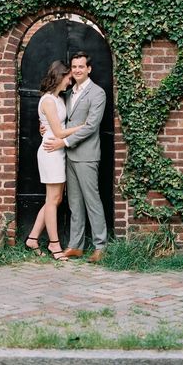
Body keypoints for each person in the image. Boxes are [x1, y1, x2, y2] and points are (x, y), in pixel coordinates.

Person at [44, 51, 107, 263]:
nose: (78, 70)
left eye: (82, 66)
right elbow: (61, 121)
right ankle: (75, 245)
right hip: (68, 156)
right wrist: (46, 128)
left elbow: (91, 126)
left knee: (92, 200)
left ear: (89, 69)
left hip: (87, 155)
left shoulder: (97, 93)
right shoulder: (68, 93)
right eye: (75, 67)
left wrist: (64, 141)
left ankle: (100, 246)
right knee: (74, 203)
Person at [24, 60, 84, 261]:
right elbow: (58, 131)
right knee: (52, 200)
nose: (70, 81)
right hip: (50, 151)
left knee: (56, 199)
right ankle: (54, 244)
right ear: (60, 77)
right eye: (68, 77)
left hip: (58, 150)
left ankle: (32, 238)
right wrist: (83, 127)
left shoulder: (58, 99)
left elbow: (53, 126)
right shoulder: (48, 100)